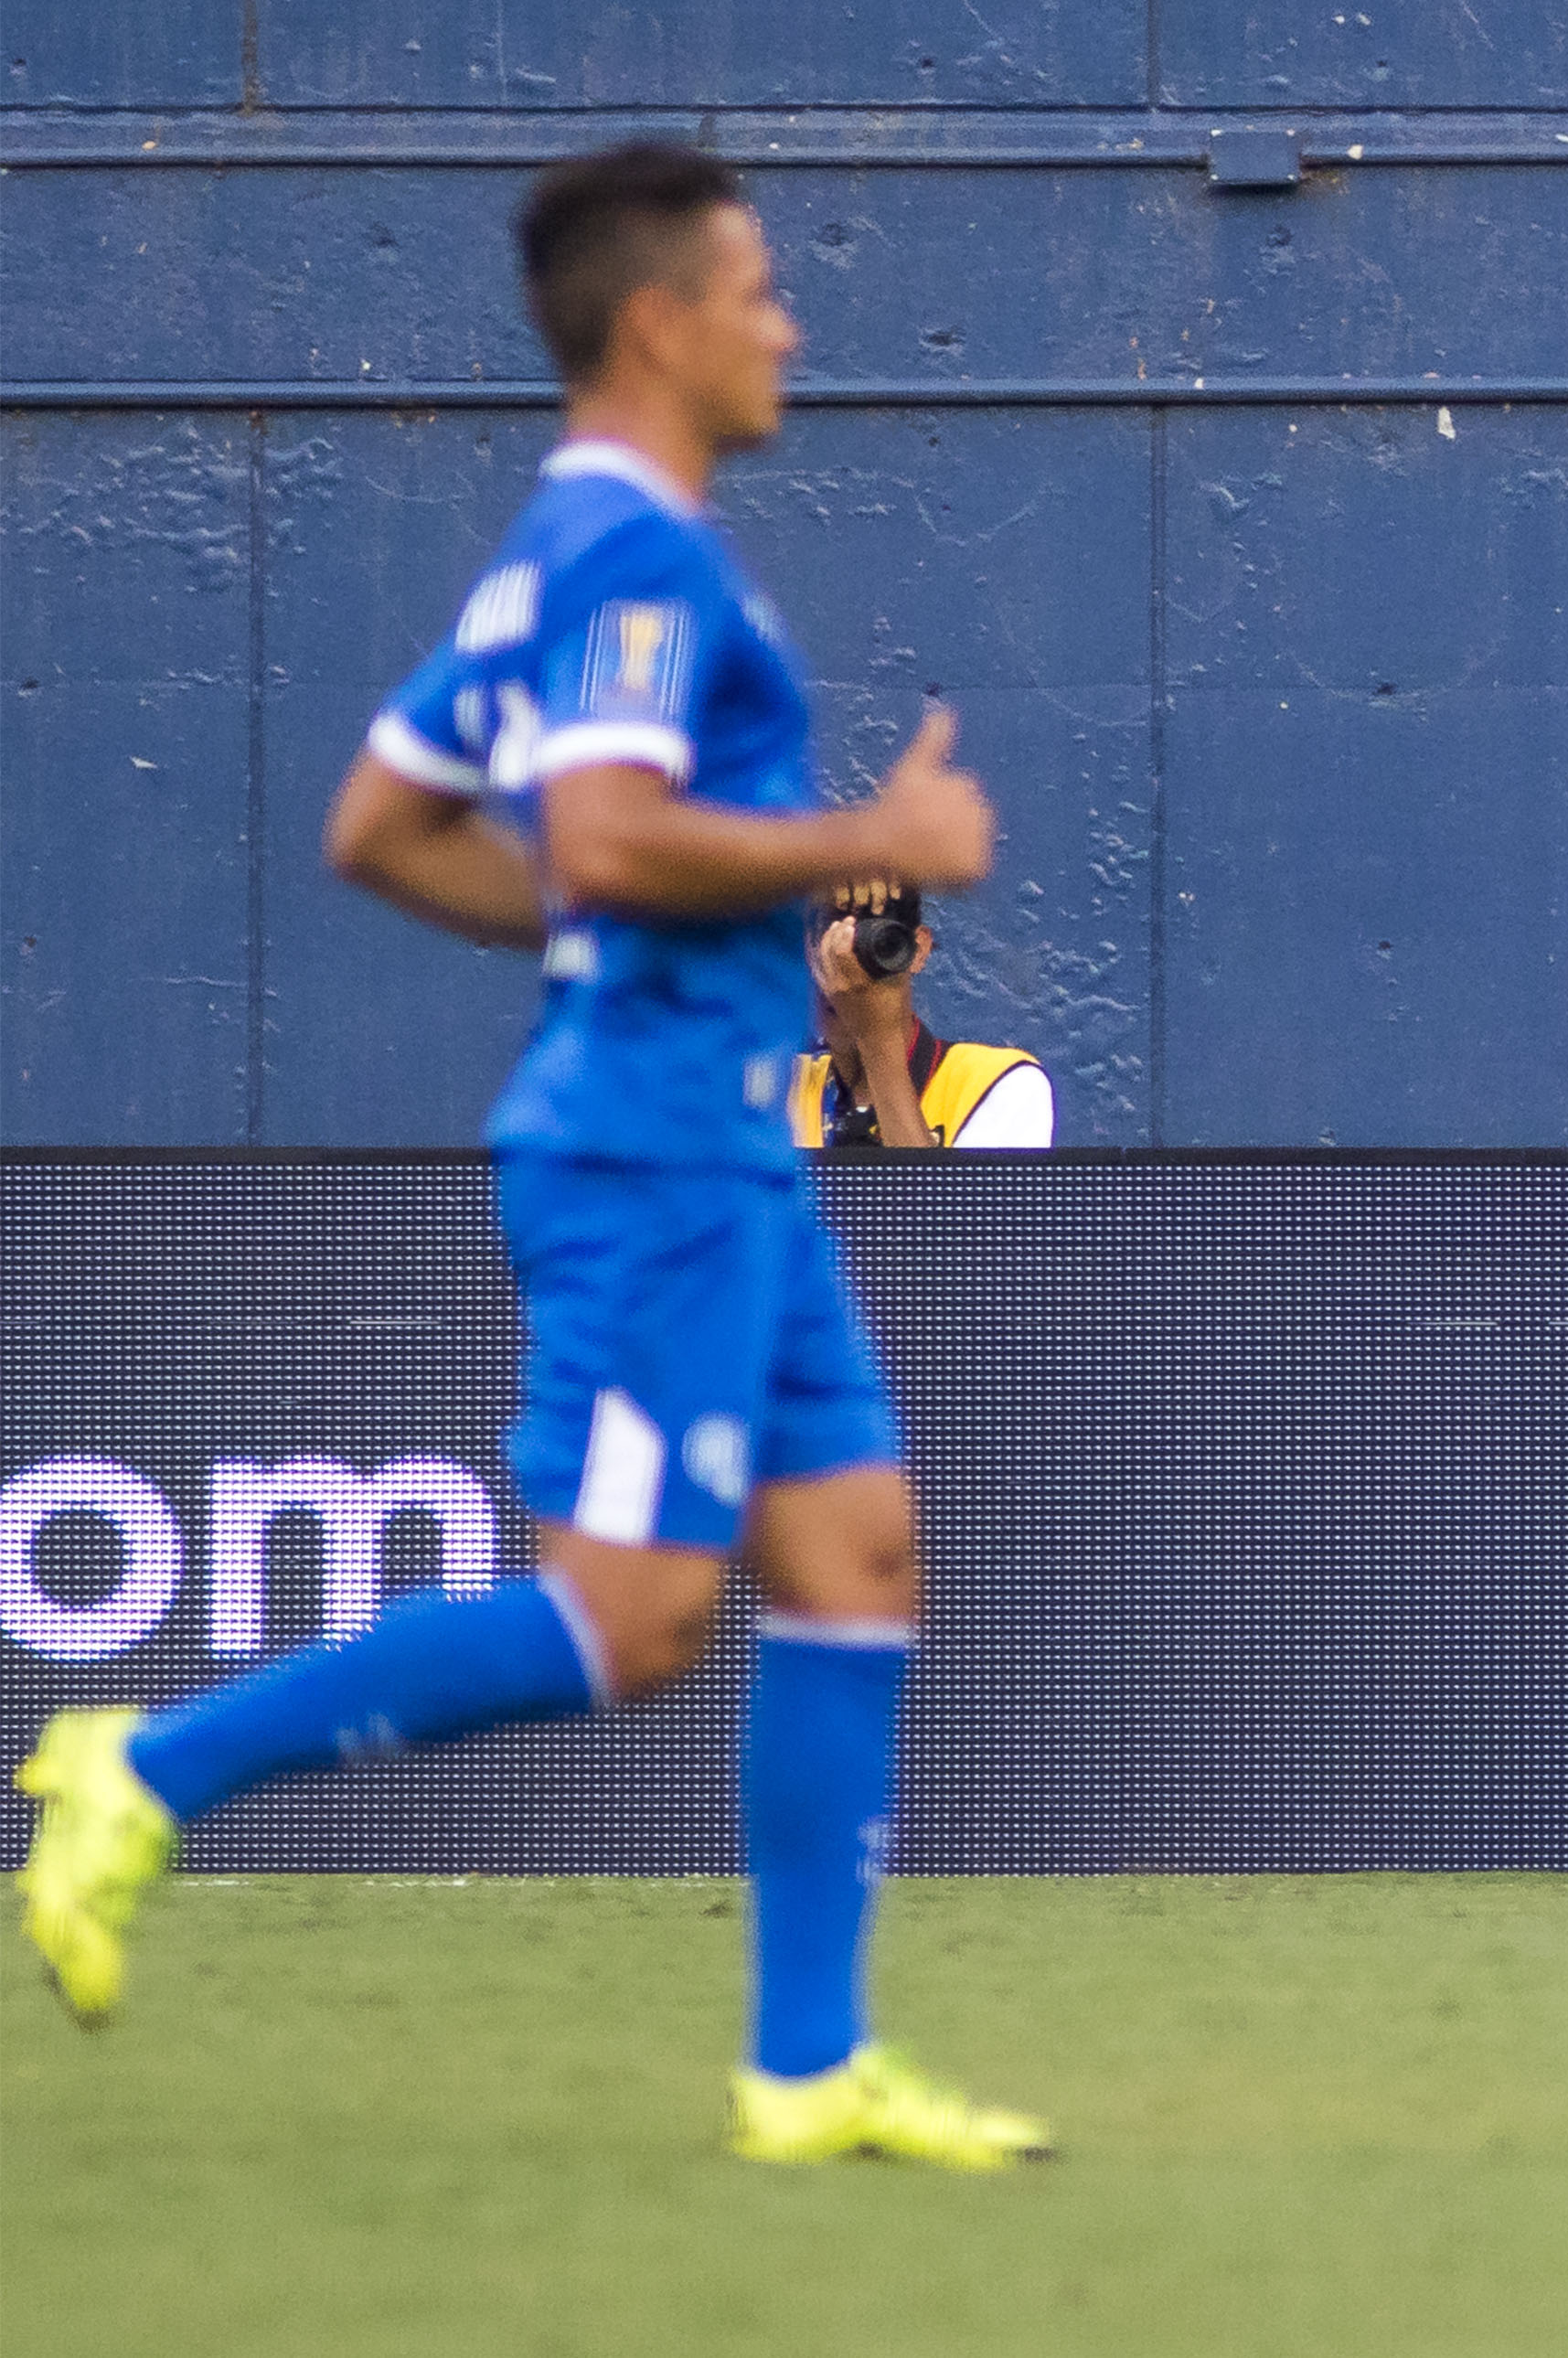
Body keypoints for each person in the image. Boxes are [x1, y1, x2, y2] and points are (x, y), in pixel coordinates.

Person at [16, 144, 1043, 2165]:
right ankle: (144, 1768)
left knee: (853, 1552)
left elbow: (383, 826)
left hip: (724, 1148)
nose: (788, 326)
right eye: (757, 292)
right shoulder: (632, 558)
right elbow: (605, 835)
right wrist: (870, 842)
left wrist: (614, 917)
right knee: (629, 1620)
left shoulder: (568, 550)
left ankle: (808, 2063)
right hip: (654, 1150)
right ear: (658, 324)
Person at [792, 879, 1056, 1147]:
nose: (846, 962)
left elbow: (920, 1178)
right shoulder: (783, 1086)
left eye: (869, 940)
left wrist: (876, 1039)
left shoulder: (1000, 1083)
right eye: (829, 938)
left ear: (917, 950)